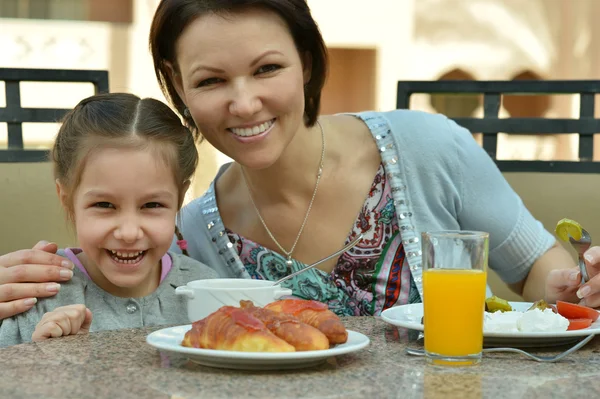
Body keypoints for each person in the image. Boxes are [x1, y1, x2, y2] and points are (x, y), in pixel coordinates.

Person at [0, 0, 597, 317]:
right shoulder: (187, 234)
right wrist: (28, 283)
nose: (244, 102)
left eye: (267, 69)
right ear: (178, 90)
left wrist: (578, 286)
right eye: (210, 81)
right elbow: (114, 306)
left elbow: (538, 271)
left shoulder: (429, 148)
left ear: (306, 63)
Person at [0, 93, 217, 347]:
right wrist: (41, 357)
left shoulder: (207, 292)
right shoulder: (34, 294)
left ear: (179, 199)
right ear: (67, 198)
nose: (128, 232)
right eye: (104, 205)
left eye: (152, 205)